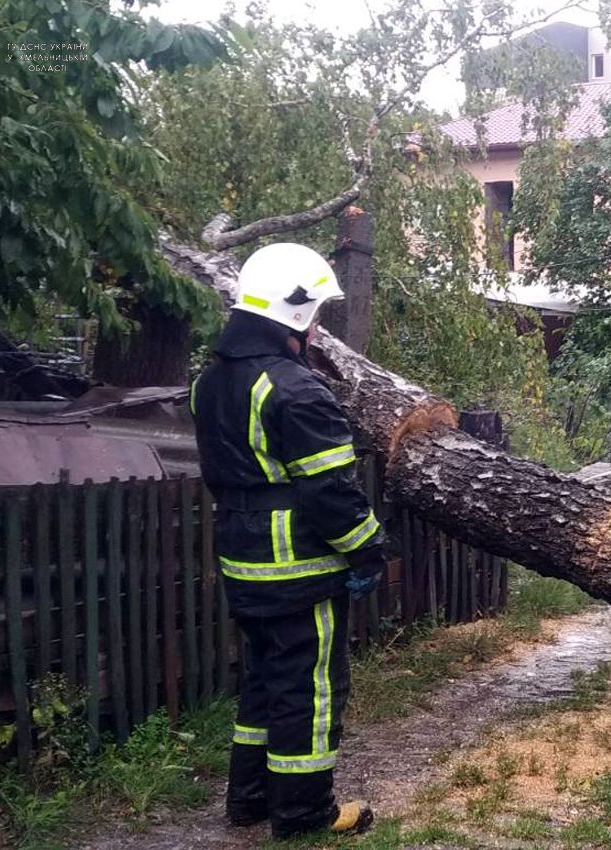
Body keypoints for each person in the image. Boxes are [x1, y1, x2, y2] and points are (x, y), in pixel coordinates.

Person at [190, 242, 383, 838]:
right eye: (317, 311)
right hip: (298, 570)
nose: (319, 322)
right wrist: (368, 547)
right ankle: (304, 814)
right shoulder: (296, 390)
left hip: (242, 562)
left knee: (263, 684)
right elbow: (330, 492)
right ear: (295, 312)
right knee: (311, 689)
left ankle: (249, 799)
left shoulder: (210, 383)